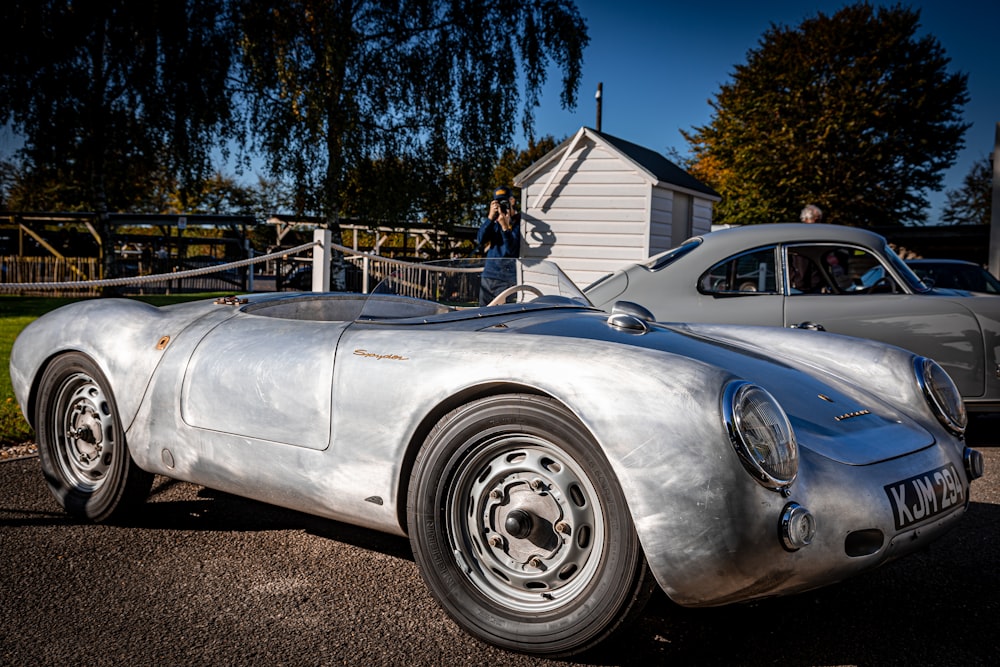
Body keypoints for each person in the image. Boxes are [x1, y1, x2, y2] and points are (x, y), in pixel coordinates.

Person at [476, 186, 521, 305]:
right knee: (482, 315)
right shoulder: (494, 222)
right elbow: (480, 240)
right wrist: (490, 218)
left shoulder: (520, 222)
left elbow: (513, 251)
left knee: (503, 318)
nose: (502, 206)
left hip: (507, 279)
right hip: (489, 275)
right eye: (498, 202)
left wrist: (505, 227)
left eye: (505, 202)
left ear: (512, 201)